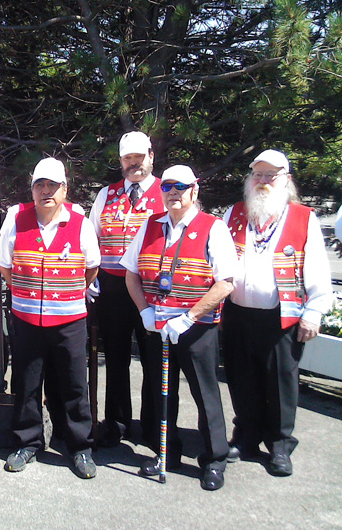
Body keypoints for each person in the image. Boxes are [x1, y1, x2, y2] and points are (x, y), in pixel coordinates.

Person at [121, 165, 238, 491]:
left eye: (181, 186)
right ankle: (166, 453)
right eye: (168, 186)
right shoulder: (150, 226)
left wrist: (189, 317)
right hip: (158, 328)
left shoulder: (213, 227)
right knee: (161, 394)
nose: (173, 192)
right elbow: (131, 273)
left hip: (197, 330)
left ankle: (215, 459)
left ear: (194, 191)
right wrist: (144, 311)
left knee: (205, 394)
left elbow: (225, 283)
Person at [222, 150, 332, 476]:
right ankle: (245, 436)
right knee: (241, 379)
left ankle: (281, 445)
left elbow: (318, 269)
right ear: (249, 179)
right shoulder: (235, 213)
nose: (264, 181)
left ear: (286, 179)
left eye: (271, 176)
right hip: (238, 313)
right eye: (258, 175)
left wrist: (314, 312)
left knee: (280, 383)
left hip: (281, 316)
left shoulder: (303, 217)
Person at [0, 157, 100, 480]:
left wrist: (63, 294)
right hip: (27, 319)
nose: (46, 192)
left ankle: (79, 446)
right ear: (32, 189)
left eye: (52, 186)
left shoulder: (81, 223)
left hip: (69, 320)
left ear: (64, 189)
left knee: (72, 384)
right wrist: (28, 294)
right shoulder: (16, 219)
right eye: (40, 185)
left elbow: (91, 268)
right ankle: (27, 441)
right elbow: (5, 265)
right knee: (26, 383)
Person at [88, 131, 164, 447]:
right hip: (112, 286)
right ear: (121, 161)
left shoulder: (167, 191)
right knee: (116, 357)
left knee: (153, 359)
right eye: (127, 158)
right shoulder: (107, 194)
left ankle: (151, 428)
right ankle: (117, 423)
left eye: (139, 157)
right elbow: (90, 237)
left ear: (151, 156)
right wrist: (90, 277)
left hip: (151, 289)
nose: (134, 163)